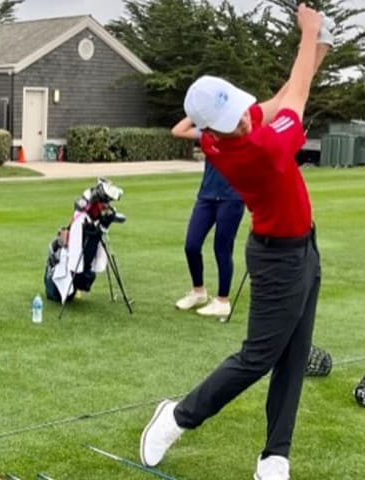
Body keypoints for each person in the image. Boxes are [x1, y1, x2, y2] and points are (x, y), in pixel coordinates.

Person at [140, 5, 330, 480]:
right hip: (277, 259)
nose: (243, 121)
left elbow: (276, 101)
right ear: (213, 130)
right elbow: (297, 98)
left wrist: (316, 49)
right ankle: (177, 417)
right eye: (231, 121)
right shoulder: (260, 149)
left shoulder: (221, 133)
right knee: (258, 358)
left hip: (304, 247)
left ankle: (274, 456)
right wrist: (308, 35)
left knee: (293, 354)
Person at [171, 118, 244, 319]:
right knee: (191, 246)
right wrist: (196, 113)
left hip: (231, 198)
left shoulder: (239, 135)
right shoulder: (207, 134)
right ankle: (198, 292)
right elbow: (178, 131)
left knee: (222, 248)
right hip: (206, 197)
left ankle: (222, 301)